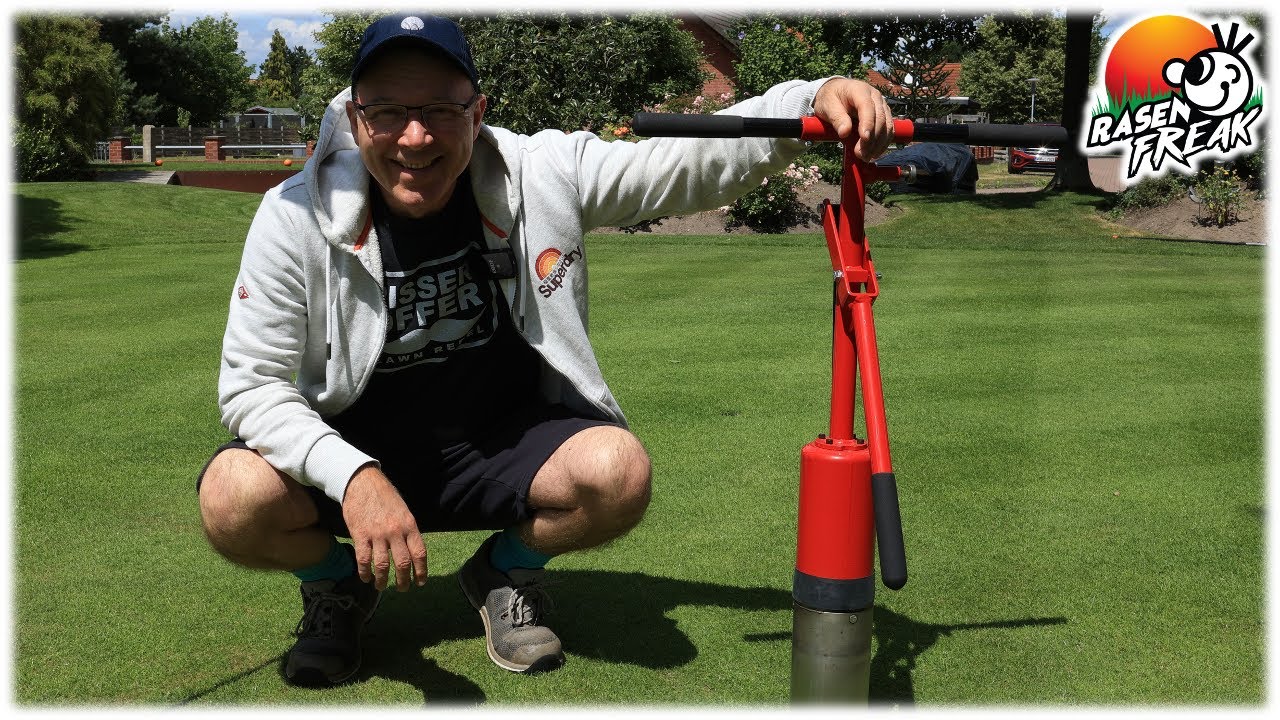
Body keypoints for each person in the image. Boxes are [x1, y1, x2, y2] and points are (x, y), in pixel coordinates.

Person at [196, 13, 894, 687]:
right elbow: (252, 386)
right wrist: (353, 477)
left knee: (616, 473)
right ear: (355, 120)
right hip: (360, 443)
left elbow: (685, 163)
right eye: (387, 112)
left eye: (441, 110)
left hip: (504, 443)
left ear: (477, 112)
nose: (415, 137)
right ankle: (337, 588)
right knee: (233, 497)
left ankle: (502, 569)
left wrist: (809, 99)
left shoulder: (541, 171)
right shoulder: (292, 214)